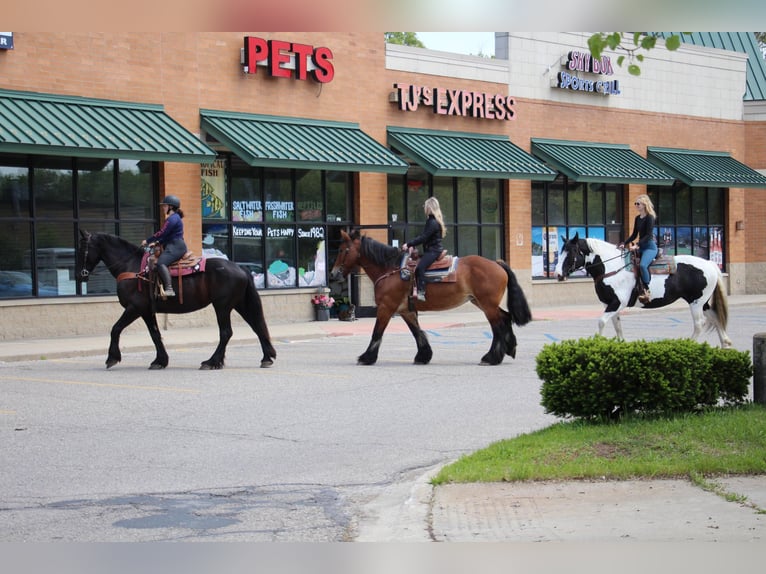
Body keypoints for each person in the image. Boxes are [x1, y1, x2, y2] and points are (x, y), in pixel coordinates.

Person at [402, 197, 447, 302]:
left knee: (420, 267)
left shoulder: (432, 222)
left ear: (430, 207)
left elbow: (423, 237)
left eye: (425, 206)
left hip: (433, 251)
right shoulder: (433, 221)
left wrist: (409, 244)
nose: (424, 208)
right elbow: (424, 237)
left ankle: (421, 292)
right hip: (432, 249)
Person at [141, 195, 186, 297]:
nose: (163, 208)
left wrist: (147, 241)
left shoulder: (172, 219)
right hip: (173, 245)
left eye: (164, 206)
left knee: (161, 263)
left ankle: (169, 289)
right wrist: (157, 243)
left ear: (170, 207)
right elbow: (167, 236)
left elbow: (162, 232)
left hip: (176, 247)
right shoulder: (174, 218)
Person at [619, 194, 658, 303]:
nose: (636, 205)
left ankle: (646, 289)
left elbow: (648, 235)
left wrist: (638, 245)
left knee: (642, 265)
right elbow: (634, 235)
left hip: (649, 247)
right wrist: (624, 243)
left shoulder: (650, 217)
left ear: (644, 204)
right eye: (635, 203)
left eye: (638, 203)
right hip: (640, 246)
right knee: (627, 263)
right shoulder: (637, 218)